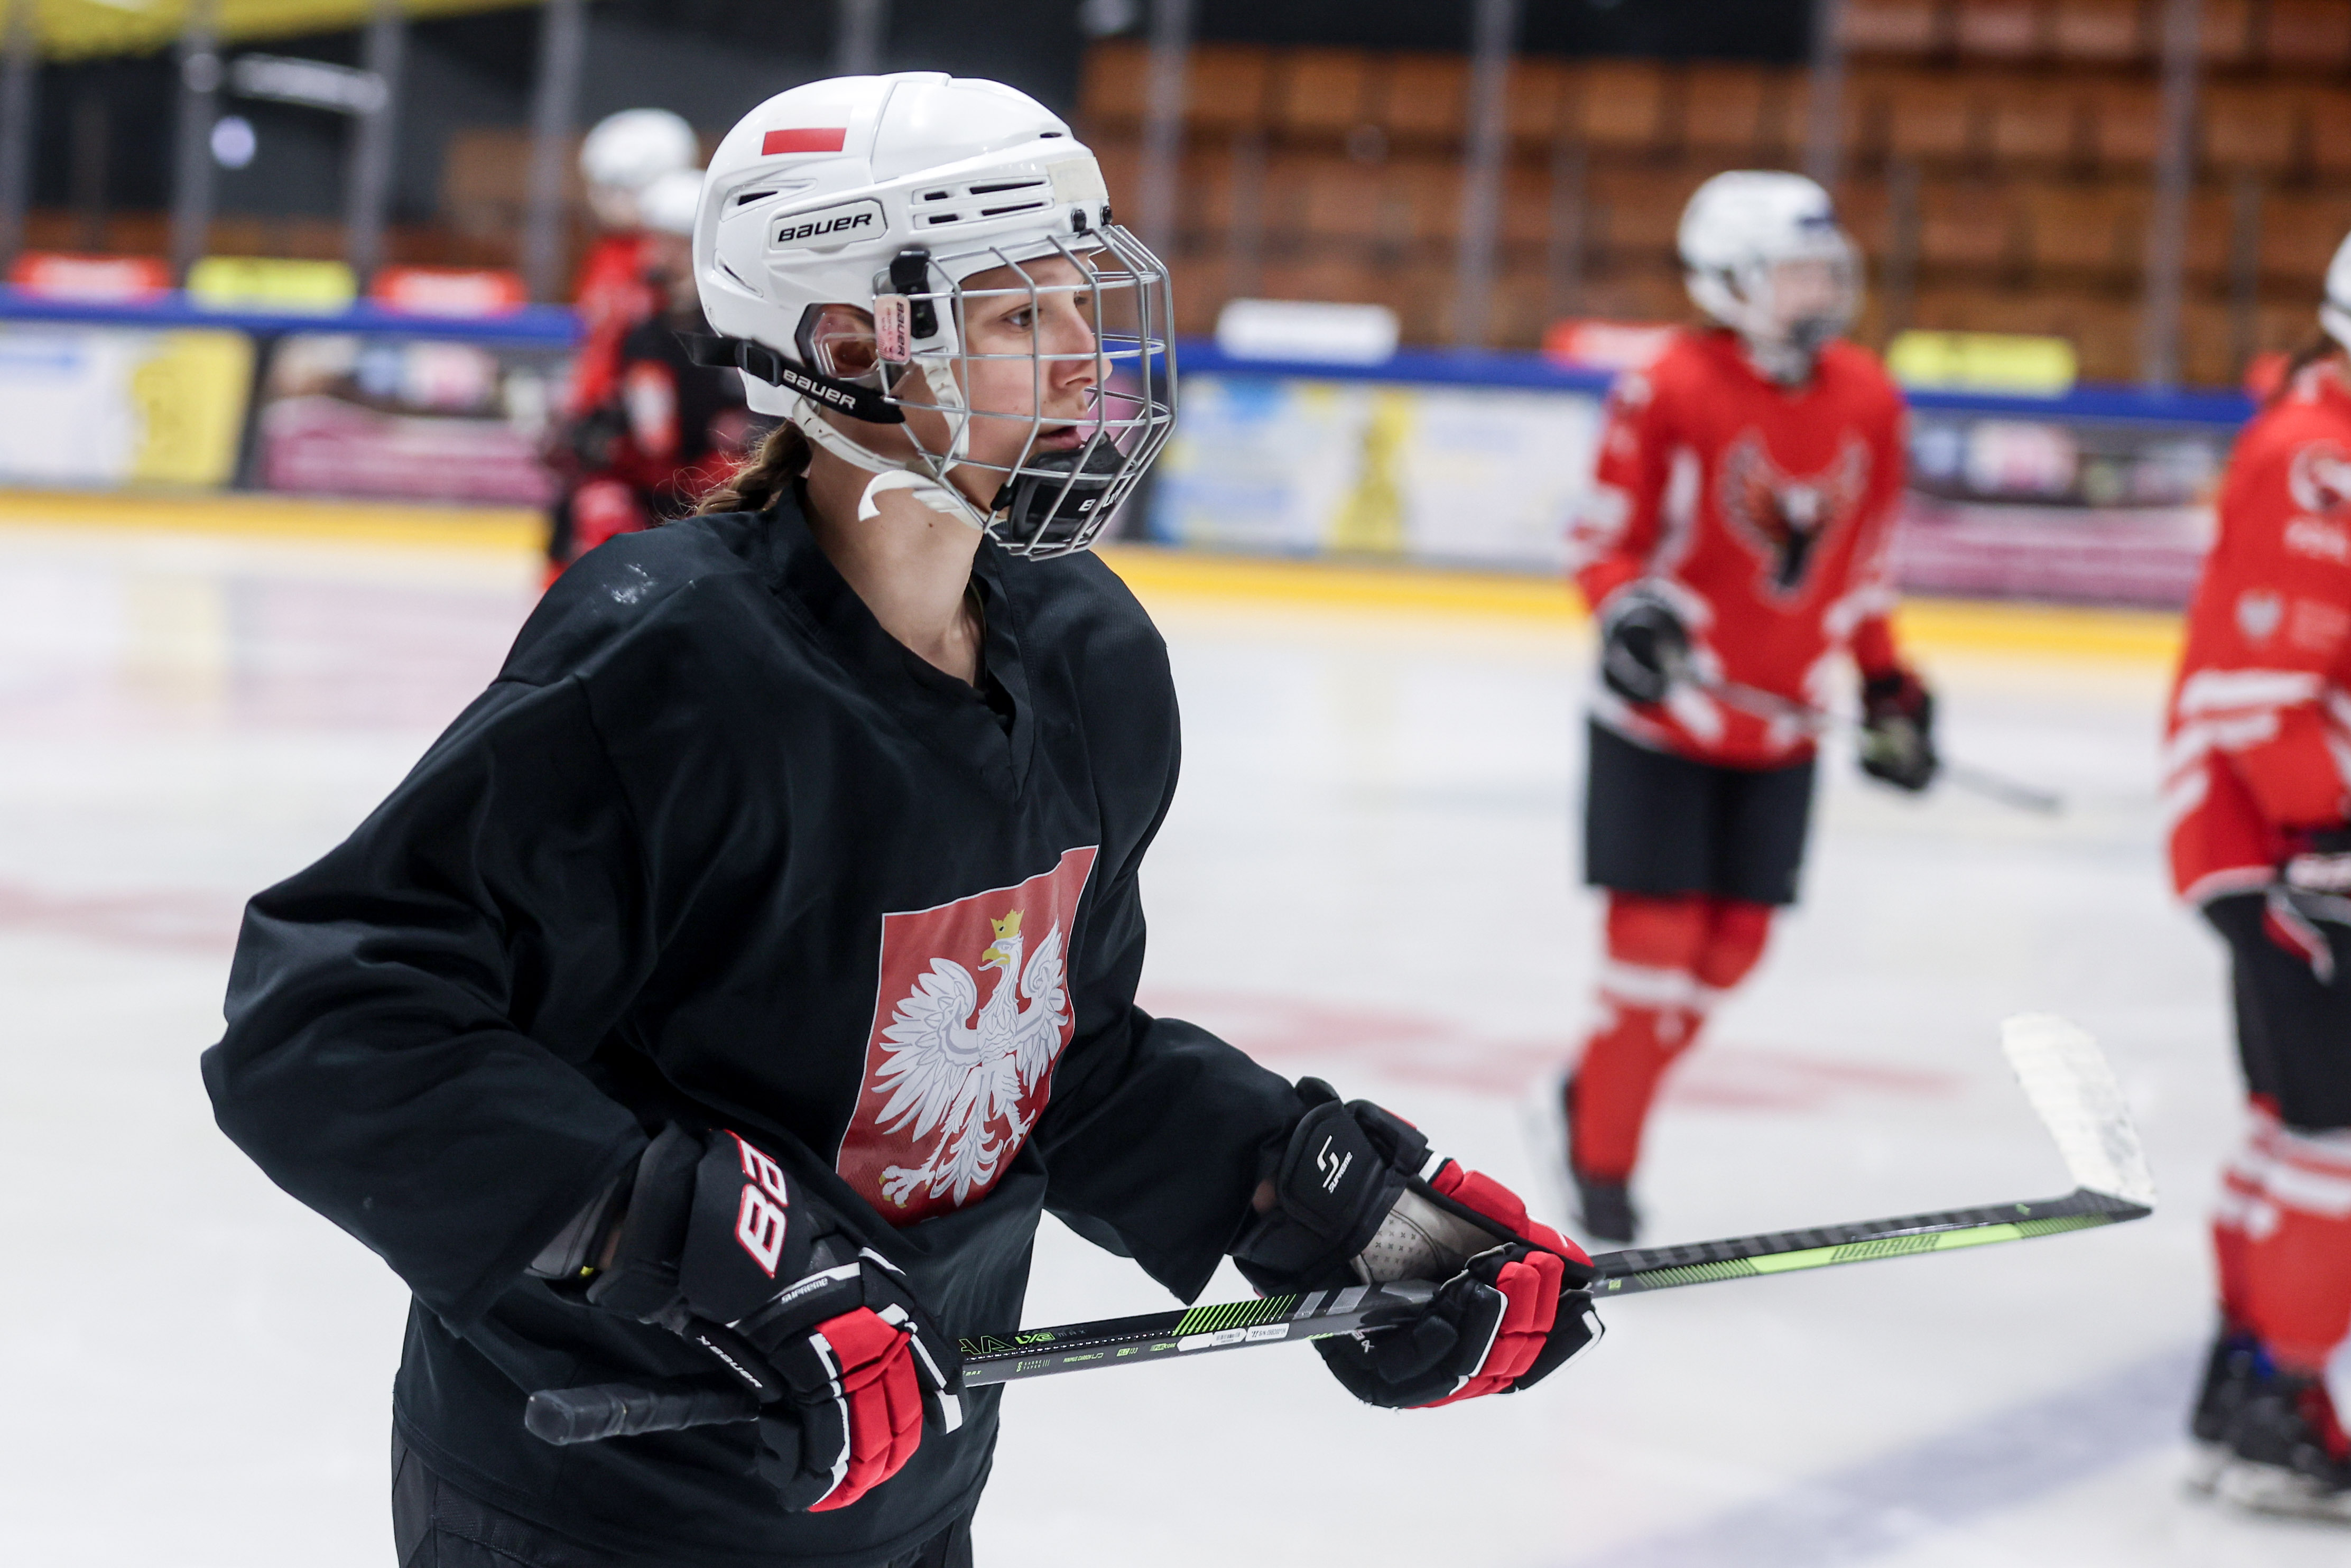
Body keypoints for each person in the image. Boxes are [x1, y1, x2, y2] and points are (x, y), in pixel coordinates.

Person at [203, 74, 1599, 1568]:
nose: (1085, 357)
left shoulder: (1091, 657)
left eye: (1080, 298)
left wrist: (1316, 1195)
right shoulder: (670, 662)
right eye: (1018, 314)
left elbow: (1048, 1053)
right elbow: (330, 1020)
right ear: (850, 345)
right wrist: (672, 1229)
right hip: (607, 1507)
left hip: (903, 1475)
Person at [1557, 171, 1938, 1244]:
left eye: (1825, 269)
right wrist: (1629, 617)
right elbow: (1602, 538)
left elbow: (1864, 564)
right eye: (1793, 272)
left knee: (1730, 954)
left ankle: (1593, 1090)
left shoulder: (1869, 395)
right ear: (1727, 281)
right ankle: (1602, 1162)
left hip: (1781, 726)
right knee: (1649, 958)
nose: (1819, 290)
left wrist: (1888, 680)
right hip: (1660, 725)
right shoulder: (1666, 387)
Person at [2165, 229, 2351, 1524]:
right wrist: (2325, 831)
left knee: (2293, 1125)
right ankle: (2281, 1401)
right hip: (2283, 843)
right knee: (2335, 1137)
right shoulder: (2312, 456)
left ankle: (2241, 1386)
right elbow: (2259, 686)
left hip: (2285, 837)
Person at [548, 167, 753, 576]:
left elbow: (754, 422)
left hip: (712, 487)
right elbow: (638, 414)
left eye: (667, 243)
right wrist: (596, 432)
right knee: (596, 508)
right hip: (656, 485)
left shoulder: (737, 329)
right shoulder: (643, 329)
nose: (652, 254)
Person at [546, 108, 702, 578]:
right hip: (612, 428)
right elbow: (599, 345)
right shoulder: (608, 257)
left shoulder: (665, 266)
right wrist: (581, 407)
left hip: (663, 442)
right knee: (574, 535)